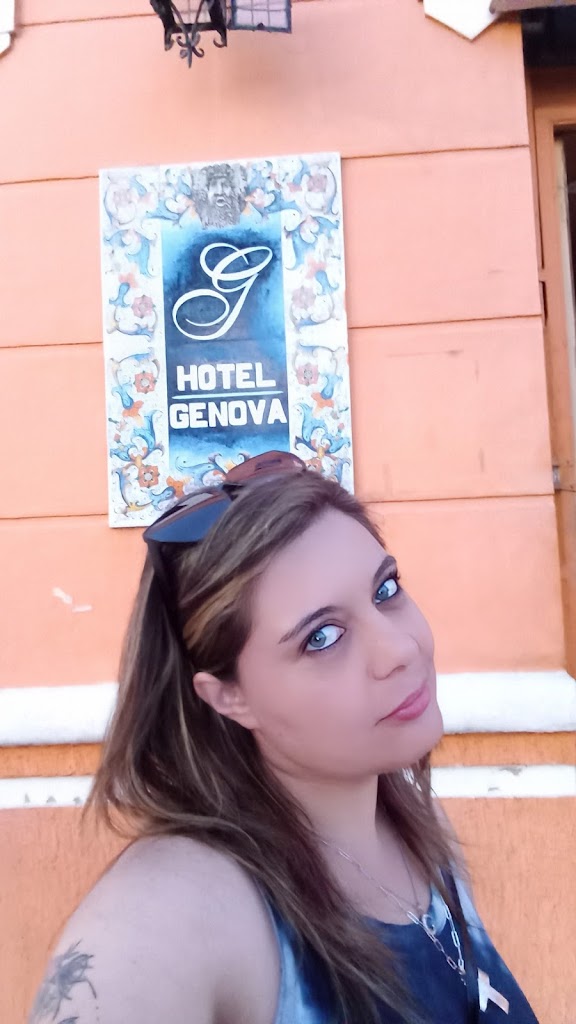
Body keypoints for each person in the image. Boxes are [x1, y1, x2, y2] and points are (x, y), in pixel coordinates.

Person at [29, 451, 539, 1024]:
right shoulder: (184, 908)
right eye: (322, 637)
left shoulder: (421, 832)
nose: (399, 649)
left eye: (386, 590)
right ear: (229, 697)